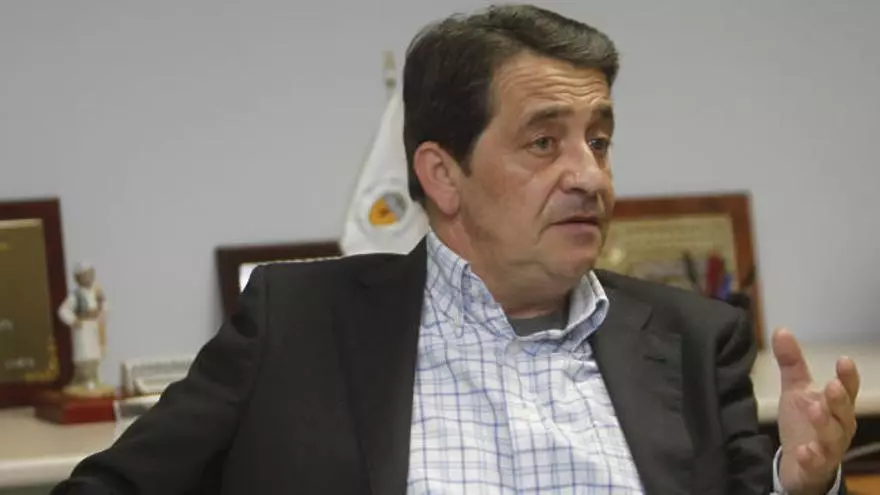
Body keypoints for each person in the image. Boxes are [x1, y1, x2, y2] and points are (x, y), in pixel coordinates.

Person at [52, 5, 860, 494]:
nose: (590, 175)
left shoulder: (694, 338)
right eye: (544, 142)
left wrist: (800, 481)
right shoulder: (294, 323)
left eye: (600, 140)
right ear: (442, 175)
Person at [57, 262, 112, 397]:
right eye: (84, 275)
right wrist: (74, 321)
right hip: (83, 329)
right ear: (78, 278)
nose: (88, 278)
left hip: (94, 327)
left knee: (95, 354)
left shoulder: (97, 293)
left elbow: (105, 308)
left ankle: (94, 379)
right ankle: (84, 381)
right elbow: (63, 311)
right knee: (84, 354)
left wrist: (101, 308)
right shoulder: (75, 296)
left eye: (90, 274)